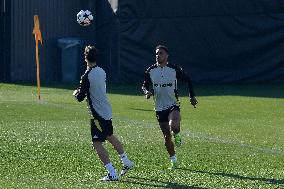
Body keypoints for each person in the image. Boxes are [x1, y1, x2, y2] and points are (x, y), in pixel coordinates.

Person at [73, 45, 134, 181]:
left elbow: (80, 97)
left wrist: (75, 92)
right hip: (106, 111)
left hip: (97, 115)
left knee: (96, 143)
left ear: (85, 58)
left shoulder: (86, 76)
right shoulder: (101, 71)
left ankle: (112, 173)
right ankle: (126, 162)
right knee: (110, 136)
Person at [142, 45, 198, 169]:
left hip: (173, 104)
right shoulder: (150, 70)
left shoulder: (174, 69)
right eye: (156, 53)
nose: (158, 55)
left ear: (167, 55)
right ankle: (173, 160)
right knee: (167, 137)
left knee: (174, 126)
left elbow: (187, 78)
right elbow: (144, 85)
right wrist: (147, 92)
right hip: (159, 108)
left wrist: (192, 96)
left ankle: (177, 135)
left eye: (160, 53)